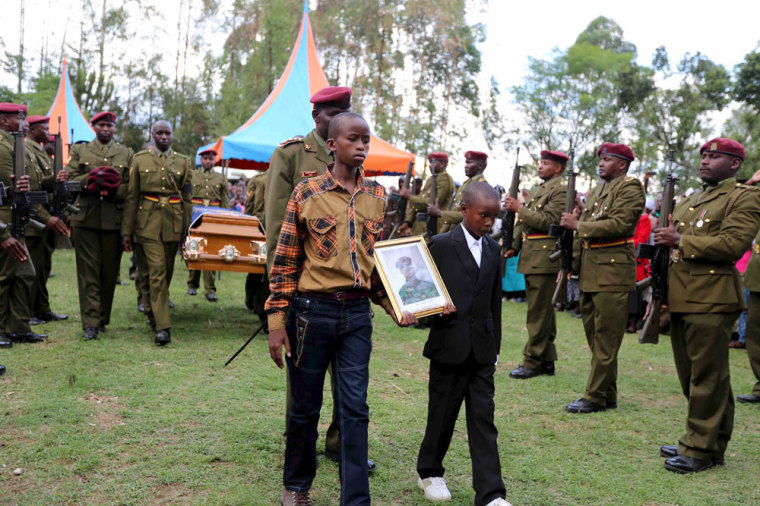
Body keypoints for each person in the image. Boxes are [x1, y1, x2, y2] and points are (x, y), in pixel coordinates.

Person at [265, 112, 414, 505]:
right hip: (311, 313)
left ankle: (356, 499)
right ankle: (296, 488)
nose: (363, 145)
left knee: (355, 407)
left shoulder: (378, 196)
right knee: (305, 405)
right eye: (354, 139)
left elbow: (375, 265)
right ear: (332, 144)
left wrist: (394, 305)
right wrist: (277, 321)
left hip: (356, 316)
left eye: (367, 139)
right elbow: (284, 263)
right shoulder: (306, 193)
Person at [264, 86, 378, 472]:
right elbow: (279, 228)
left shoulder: (365, 176)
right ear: (318, 117)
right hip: (305, 288)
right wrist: (279, 302)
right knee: (305, 386)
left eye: (346, 109)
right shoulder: (292, 154)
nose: (343, 115)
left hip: (351, 300)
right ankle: (300, 449)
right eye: (334, 112)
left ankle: (341, 443)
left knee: (350, 387)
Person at [654, 138, 760, 473]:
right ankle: (707, 441)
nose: (705, 161)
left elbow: (733, 244)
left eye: (714, 156)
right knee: (693, 376)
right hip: (682, 294)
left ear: (734, 164)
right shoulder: (693, 198)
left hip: (712, 296)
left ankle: (699, 448)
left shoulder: (744, 196)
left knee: (707, 377)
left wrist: (681, 240)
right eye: (703, 156)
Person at [414, 182, 510, 506]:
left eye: (494, 218)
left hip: (482, 351)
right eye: (484, 215)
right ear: (465, 209)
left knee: (484, 420)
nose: (489, 223)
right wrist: (429, 311)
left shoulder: (494, 250)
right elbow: (422, 294)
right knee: (441, 415)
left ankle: (491, 493)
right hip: (448, 346)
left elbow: (495, 303)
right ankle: (429, 472)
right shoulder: (440, 245)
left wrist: (495, 348)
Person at [559, 142, 645, 413]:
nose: (602, 163)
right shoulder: (598, 190)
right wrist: (572, 261)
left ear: (622, 164)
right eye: (602, 159)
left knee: (606, 337)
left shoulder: (630, 187)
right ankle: (608, 394)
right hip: (591, 267)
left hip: (613, 269)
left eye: (608, 160)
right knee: (595, 336)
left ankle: (594, 396)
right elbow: (583, 233)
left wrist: (579, 224)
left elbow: (620, 224)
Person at [121, 120, 193, 346]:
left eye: (167, 133)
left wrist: (187, 231)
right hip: (147, 222)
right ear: (152, 135)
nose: (163, 137)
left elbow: (188, 200)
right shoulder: (140, 159)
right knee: (157, 272)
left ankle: (153, 311)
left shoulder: (184, 162)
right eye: (159, 133)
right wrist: (127, 231)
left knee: (167, 271)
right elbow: (132, 197)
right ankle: (163, 328)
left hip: (173, 221)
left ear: (172, 135)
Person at [66, 111, 133, 340]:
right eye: (102, 125)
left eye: (110, 126)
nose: (106, 129)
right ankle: (91, 323)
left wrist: (113, 187)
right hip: (86, 218)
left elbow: (130, 188)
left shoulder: (126, 152)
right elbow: (70, 181)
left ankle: (102, 317)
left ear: (114, 129)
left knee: (109, 272)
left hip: (114, 219)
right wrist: (91, 179)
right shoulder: (80, 150)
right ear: (94, 127)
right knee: (88, 272)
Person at [505, 150, 568, 379]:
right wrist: (513, 245)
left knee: (538, 313)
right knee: (543, 312)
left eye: (545, 163)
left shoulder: (561, 189)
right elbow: (524, 222)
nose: (540, 167)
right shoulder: (539, 189)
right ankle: (547, 360)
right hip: (532, 255)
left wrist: (520, 208)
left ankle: (531, 361)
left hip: (545, 257)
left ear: (557, 168)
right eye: (540, 163)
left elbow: (550, 222)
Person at [0, 102, 43, 344]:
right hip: (4, 220)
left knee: (25, 273)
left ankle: (18, 326)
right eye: (20, 119)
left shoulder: (15, 145)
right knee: (5, 276)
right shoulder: (3, 146)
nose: (25, 124)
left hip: (18, 216)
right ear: (5, 121)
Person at [24, 115, 68, 325]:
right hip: (37, 217)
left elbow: (45, 181)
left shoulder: (40, 150)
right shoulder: (28, 150)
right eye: (44, 128)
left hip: (48, 213)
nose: (48, 131)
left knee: (44, 267)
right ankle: (29, 311)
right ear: (33, 129)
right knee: (33, 268)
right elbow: (35, 185)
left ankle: (42, 308)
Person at [186, 148, 229, 302]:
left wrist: (225, 219)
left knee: (211, 252)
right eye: (205, 158)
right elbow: (187, 196)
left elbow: (225, 200)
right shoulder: (192, 175)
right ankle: (192, 284)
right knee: (194, 249)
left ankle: (210, 289)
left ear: (214, 161)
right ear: (201, 160)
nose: (208, 161)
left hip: (213, 215)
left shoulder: (221, 178)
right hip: (195, 214)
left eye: (211, 159)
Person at [397, 152, 455, 238]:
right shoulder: (431, 179)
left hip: (433, 226)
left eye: (433, 162)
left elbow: (433, 204)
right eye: (430, 162)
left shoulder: (444, 179)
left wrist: (409, 196)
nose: (430, 165)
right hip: (420, 225)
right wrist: (408, 221)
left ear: (442, 164)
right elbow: (419, 200)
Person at [435, 150, 489, 234]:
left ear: (481, 165)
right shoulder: (466, 183)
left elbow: (469, 215)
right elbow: (455, 210)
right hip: (454, 232)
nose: (466, 166)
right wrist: (443, 234)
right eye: (466, 163)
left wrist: (441, 213)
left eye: (469, 163)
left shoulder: (481, 186)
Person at [244, 169, 269, 319]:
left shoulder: (259, 179)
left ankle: (253, 300)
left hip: (259, 225)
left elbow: (250, 204)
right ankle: (259, 305)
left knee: (257, 267)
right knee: (264, 268)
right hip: (268, 226)